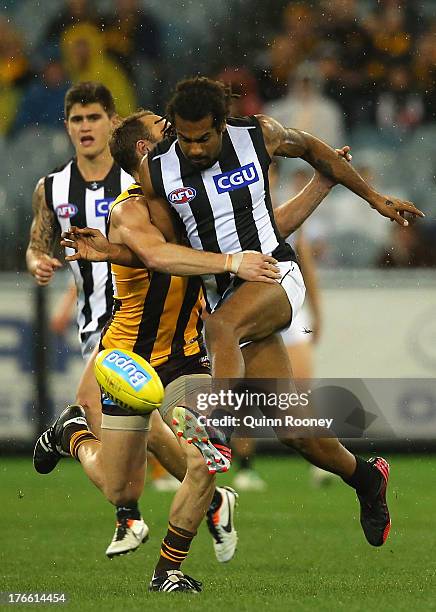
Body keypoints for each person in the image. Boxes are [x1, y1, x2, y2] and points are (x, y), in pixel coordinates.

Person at [60, 109, 351, 592]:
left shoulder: (189, 198)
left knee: (207, 458)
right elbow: (157, 256)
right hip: (130, 357)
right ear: (143, 152)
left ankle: (167, 571)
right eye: (162, 127)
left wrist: (323, 184)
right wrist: (230, 260)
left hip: (184, 356)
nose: (173, 129)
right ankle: (72, 434)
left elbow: (265, 234)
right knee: (119, 487)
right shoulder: (128, 209)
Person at [136, 77, 423, 555]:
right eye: (185, 139)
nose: (194, 147)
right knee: (295, 431)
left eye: (203, 137)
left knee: (221, 327)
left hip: (275, 273)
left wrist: (374, 198)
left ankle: (214, 427)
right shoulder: (158, 171)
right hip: (225, 294)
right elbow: (161, 248)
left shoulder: (259, 134)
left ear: (222, 124)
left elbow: (319, 151)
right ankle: (367, 478)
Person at [26, 82, 237, 563]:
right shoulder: (58, 188)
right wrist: (39, 259)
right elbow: (43, 242)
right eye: (77, 119)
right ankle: (121, 493)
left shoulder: (167, 182)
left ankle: (170, 522)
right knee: (123, 475)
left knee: (179, 438)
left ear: (110, 122)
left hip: (165, 334)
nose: (85, 127)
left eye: (93, 118)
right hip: (111, 326)